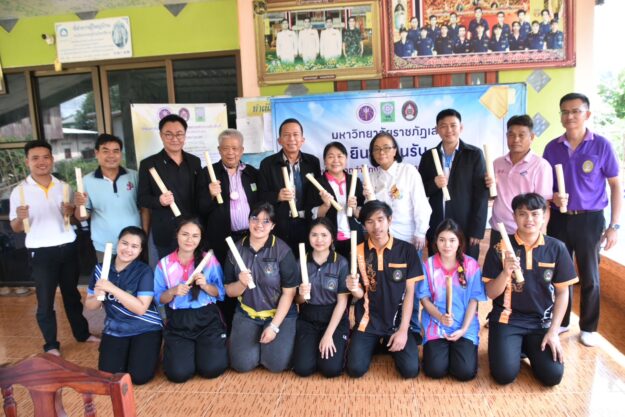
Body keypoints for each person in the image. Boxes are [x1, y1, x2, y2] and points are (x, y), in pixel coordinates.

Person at [543, 92, 621, 347]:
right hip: (559, 219)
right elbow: (545, 187)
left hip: (590, 220)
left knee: (590, 276)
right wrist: (553, 197)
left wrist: (614, 226)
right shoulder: (552, 147)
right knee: (560, 274)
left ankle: (588, 327)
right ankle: (562, 320)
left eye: (575, 111)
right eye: (565, 111)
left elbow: (615, 186)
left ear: (587, 114)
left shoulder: (601, 145)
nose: (570, 116)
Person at [9, 141, 98, 355]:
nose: (42, 162)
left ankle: (82, 334)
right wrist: (20, 218)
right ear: (27, 161)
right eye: (35, 158)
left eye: (46, 157)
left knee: (72, 295)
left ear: (52, 159)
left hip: (67, 247)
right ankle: (51, 344)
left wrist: (70, 211)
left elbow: (75, 219)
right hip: (41, 252)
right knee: (46, 300)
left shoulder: (63, 187)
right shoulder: (19, 191)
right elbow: (16, 227)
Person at [483, 193, 578, 386]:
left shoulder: (557, 248)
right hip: (507, 320)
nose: (529, 219)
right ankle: (516, 346)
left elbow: (562, 293)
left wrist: (553, 331)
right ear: (514, 216)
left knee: (552, 376)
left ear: (544, 215)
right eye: (522, 214)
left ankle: (524, 346)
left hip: (541, 323)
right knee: (504, 375)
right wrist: (505, 272)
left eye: (535, 214)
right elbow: (490, 293)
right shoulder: (500, 248)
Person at [346, 201, 422, 378]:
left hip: (396, 324)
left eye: (380, 220)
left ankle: (386, 342)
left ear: (389, 220)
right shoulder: (357, 252)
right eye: (370, 221)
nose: (376, 227)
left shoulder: (407, 250)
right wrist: (353, 288)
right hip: (367, 323)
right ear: (364, 225)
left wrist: (403, 331)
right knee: (355, 369)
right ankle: (376, 343)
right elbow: (359, 294)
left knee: (410, 370)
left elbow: (410, 293)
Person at [224, 203, 300, 373]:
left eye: (266, 221)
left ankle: (268, 347)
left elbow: (289, 294)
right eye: (255, 219)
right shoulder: (235, 249)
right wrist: (241, 283)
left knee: (276, 365)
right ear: (248, 221)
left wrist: (273, 327)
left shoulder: (283, 251)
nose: (259, 225)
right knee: (242, 365)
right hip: (247, 314)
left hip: (279, 315)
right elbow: (228, 290)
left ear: (272, 226)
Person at [85, 226, 162, 385]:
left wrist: (112, 288)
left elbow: (141, 308)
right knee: (110, 376)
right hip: (115, 329)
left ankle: (149, 354)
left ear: (140, 250)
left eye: (134, 246)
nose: (128, 249)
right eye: (124, 243)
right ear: (118, 243)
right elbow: (90, 305)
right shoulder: (100, 269)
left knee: (139, 377)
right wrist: (98, 296)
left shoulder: (144, 271)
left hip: (145, 327)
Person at [198, 129, 258, 332]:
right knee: (225, 281)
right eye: (225, 148)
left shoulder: (252, 173)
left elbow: (261, 205)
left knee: (248, 279)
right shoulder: (208, 173)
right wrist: (210, 194)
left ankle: (247, 324)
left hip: (249, 238)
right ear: (219, 150)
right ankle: (226, 328)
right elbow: (200, 209)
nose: (230, 152)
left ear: (242, 150)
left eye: (234, 148)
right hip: (221, 239)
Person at [154, 218, 227, 383]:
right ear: (177, 235)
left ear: (200, 238)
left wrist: (206, 286)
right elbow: (159, 298)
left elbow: (221, 293)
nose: (189, 240)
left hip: (206, 318)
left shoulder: (209, 260)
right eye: (185, 234)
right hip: (178, 320)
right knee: (178, 374)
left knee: (212, 369)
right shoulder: (164, 264)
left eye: (195, 236)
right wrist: (172, 291)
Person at [419, 219, 486, 381]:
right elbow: (424, 299)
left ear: (459, 242)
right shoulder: (428, 265)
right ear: (436, 242)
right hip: (436, 324)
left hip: (464, 324)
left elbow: (473, 300)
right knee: (435, 370)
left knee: (464, 372)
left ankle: (460, 350)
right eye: (442, 240)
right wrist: (440, 317)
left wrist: (463, 329)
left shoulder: (471, 265)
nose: (447, 245)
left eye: (452, 240)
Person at [418, 109, 488, 260]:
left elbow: (481, 195)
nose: (449, 130)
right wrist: (434, 184)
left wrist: (477, 230)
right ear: (437, 129)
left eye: (453, 125)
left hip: (466, 226)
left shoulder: (474, 154)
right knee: (438, 267)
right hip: (437, 226)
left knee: (466, 267)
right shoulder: (428, 156)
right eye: (443, 126)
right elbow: (420, 192)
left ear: (461, 128)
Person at [138, 114, 202, 259]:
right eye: (169, 134)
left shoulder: (194, 162)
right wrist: (159, 201)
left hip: (192, 231)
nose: (174, 139)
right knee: (168, 271)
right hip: (166, 231)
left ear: (185, 135)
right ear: (161, 135)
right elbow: (142, 199)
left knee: (193, 270)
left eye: (179, 134)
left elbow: (199, 195)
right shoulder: (149, 164)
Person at [292, 218, 350, 378]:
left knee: (330, 370)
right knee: (303, 369)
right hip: (308, 318)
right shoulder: (300, 262)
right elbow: (297, 300)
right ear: (308, 237)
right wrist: (301, 295)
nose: (319, 240)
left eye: (324, 235)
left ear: (332, 238)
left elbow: (342, 302)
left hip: (334, 318)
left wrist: (328, 334)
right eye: (314, 235)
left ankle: (340, 342)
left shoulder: (341, 263)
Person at [486, 115, 553, 246]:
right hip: (499, 229)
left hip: (526, 231)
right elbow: (492, 196)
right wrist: (488, 187)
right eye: (511, 135)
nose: (516, 139)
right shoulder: (497, 163)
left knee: (522, 261)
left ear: (532, 137)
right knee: (497, 260)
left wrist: (541, 232)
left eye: (521, 135)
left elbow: (544, 204)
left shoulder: (541, 165)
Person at [258, 118, 321, 253]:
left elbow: (316, 195)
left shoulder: (312, 162)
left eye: (295, 134)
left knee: (305, 260)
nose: (291, 139)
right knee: (282, 261)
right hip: (279, 225)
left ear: (302, 140)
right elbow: (260, 196)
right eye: (286, 135)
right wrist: (277, 196)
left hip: (307, 224)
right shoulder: (267, 164)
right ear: (279, 140)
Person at [74, 134, 140, 261]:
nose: (111, 155)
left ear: (121, 154)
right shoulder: (86, 181)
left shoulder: (134, 176)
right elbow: (82, 216)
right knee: (106, 274)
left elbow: (144, 209)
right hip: (104, 246)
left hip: (134, 244)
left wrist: (144, 234)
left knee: (135, 274)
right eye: (105, 151)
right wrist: (79, 205)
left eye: (116, 151)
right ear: (96, 153)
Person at [367, 132, 431, 252]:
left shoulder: (408, 171)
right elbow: (370, 211)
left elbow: (421, 204)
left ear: (395, 151)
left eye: (386, 148)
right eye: (376, 149)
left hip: (407, 237)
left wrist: (420, 232)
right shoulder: (371, 177)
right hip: (381, 240)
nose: (381, 152)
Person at [305, 142, 365, 258]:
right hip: (328, 241)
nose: (335, 160)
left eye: (340, 156)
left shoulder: (355, 181)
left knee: (355, 268)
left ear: (346, 159)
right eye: (331, 156)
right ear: (324, 161)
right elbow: (310, 215)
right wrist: (325, 206)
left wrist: (354, 209)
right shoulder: (316, 184)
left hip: (354, 237)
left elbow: (363, 213)